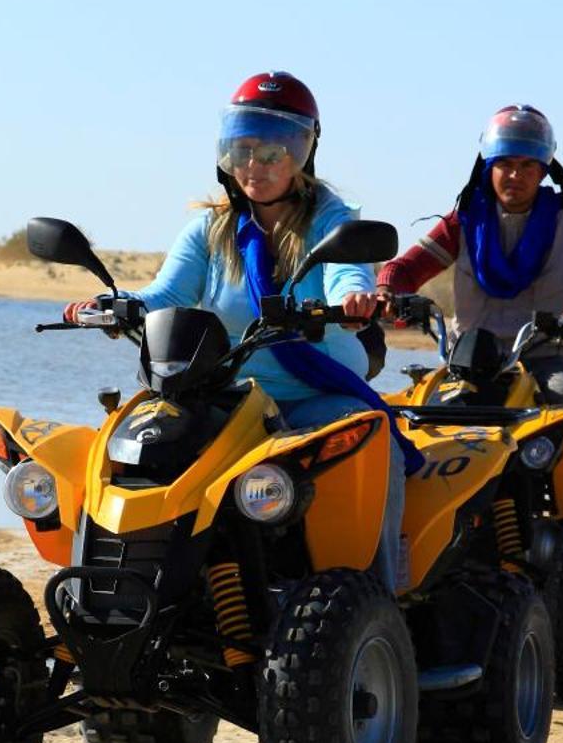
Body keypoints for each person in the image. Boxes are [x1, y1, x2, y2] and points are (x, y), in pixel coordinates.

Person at [63, 71, 410, 591]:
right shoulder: (213, 226)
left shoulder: (330, 219)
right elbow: (166, 296)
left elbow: (349, 275)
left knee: (372, 443)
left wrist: (351, 302)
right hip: (227, 398)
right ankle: (118, 591)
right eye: (243, 149)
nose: (255, 165)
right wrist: (116, 305)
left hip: (311, 396)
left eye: (272, 152)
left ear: (302, 152)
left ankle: (380, 602)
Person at [377, 105, 563, 404]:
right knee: (425, 415)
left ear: (544, 170)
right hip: (468, 360)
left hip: (550, 360)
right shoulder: (463, 221)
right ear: (489, 166)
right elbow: (405, 270)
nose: (516, 175)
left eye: (528, 165)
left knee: (561, 397)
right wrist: (387, 293)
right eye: (505, 163)